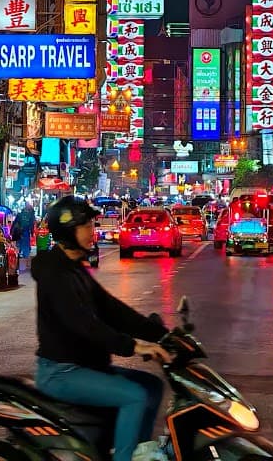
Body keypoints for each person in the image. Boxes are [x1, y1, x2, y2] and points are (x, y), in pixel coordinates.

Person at [31, 197, 173, 461]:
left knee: (152, 386)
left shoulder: (75, 268)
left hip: (87, 366)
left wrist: (160, 335)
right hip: (62, 372)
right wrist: (132, 345)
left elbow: (112, 309)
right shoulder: (56, 273)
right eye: (85, 226)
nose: (92, 231)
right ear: (67, 231)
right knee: (135, 396)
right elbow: (84, 325)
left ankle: (136, 451)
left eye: (91, 225)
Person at [13, 201, 36, 268]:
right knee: (25, 248)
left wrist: (12, 232)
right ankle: (26, 264)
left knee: (19, 247)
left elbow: (15, 223)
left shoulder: (20, 214)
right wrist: (32, 233)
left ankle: (18, 263)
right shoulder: (30, 215)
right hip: (25, 233)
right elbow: (31, 225)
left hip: (19, 232)